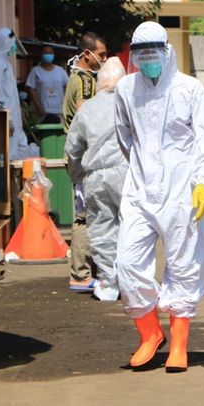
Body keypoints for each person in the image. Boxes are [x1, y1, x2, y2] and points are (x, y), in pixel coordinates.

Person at [114, 21, 204, 372]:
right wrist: (144, 170)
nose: (148, 62)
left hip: (181, 188)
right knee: (127, 263)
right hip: (140, 188)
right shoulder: (126, 89)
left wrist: (202, 181)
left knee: (184, 262)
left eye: (153, 54)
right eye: (141, 56)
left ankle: (180, 345)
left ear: (166, 52)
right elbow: (124, 136)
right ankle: (149, 334)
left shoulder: (190, 88)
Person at [65, 57, 128, 302]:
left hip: (97, 176)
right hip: (129, 174)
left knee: (102, 228)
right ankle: (135, 280)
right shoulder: (131, 105)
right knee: (134, 228)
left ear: (100, 81)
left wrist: (77, 176)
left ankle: (109, 283)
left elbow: (73, 149)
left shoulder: (88, 109)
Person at [62, 32, 108, 291]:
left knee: (87, 212)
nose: (104, 59)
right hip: (83, 155)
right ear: (87, 54)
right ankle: (80, 274)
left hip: (77, 154)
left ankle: (84, 272)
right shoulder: (84, 80)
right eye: (101, 55)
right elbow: (86, 117)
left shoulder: (76, 77)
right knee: (85, 215)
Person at [0, 27, 29, 160]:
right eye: (13, 42)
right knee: (8, 154)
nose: (14, 46)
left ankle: (18, 180)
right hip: (6, 118)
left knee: (21, 149)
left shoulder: (5, 63)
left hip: (14, 116)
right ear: (6, 42)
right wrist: (6, 118)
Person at [25, 45, 68, 124]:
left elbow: (68, 88)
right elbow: (31, 89)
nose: (48, 55)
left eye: (50, 53)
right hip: (41, 112)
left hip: (59, 111)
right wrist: (38, 107)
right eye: (46, 53)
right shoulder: (35, 71)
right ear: (41, 55)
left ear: (54, 55)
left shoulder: (61, 71)